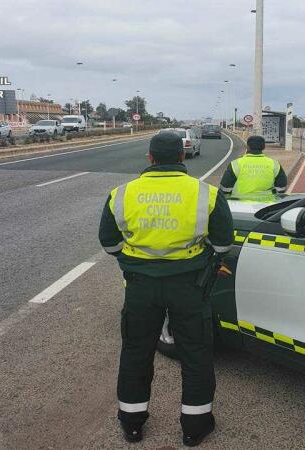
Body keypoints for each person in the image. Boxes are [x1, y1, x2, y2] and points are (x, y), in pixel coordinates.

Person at [99, 132, 234, 446]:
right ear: (182, 157)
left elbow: (109, 243)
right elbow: (223, 243)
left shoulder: (121, 194)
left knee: (136, 352)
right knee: (196, 355)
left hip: (140, 287)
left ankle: (132, 425)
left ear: (150, 158)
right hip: (190, 286)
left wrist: (135, 262)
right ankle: (194, 428)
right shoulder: (206, 194)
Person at [219, 135, 287, 197]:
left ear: (247, 147)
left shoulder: (236, 164)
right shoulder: (274, 164)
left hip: (240, 203)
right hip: (266, 205)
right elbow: (282, 187)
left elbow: (225, 188)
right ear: (263, 147)